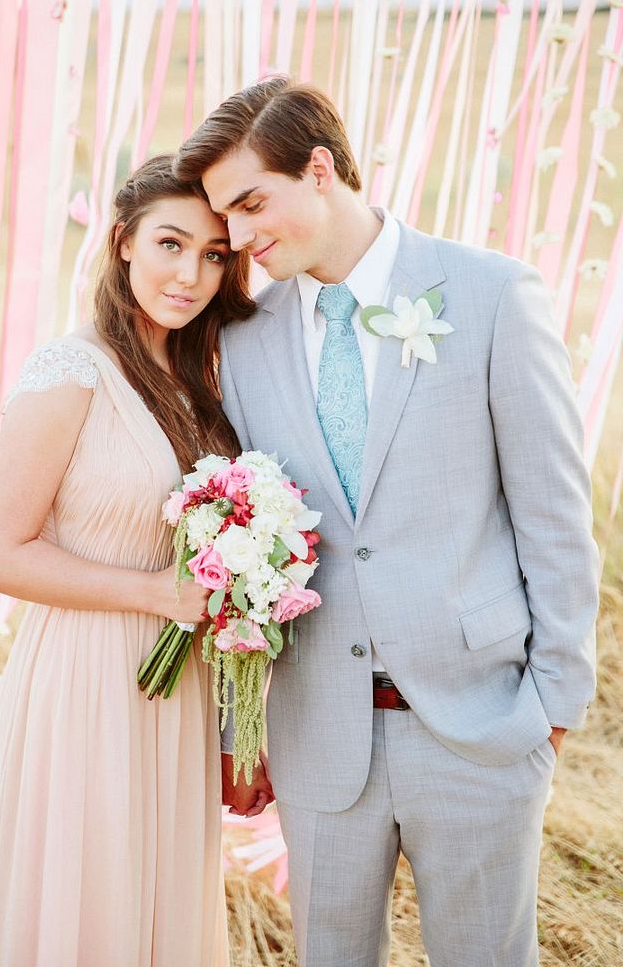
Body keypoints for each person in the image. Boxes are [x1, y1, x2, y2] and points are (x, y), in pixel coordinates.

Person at [173, 77, 600, 967]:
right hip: (318, 736)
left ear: (320, 169)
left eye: (253, 203)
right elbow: (249, 545)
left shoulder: (491, 296)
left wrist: (551, 704)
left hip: (482, 728)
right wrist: (241, 730)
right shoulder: (242, 341)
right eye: (227, 217)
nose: (242, 238)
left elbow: (555, 516)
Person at [0, 155, 261, 967]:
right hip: (88, 681)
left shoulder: (206, 377)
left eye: (213, 255)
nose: (189, 274)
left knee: (155, 901)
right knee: (87, 900)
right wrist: (155, 593)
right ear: (123, 240)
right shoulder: (71, 370)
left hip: (180, 688)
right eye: (170, 244)